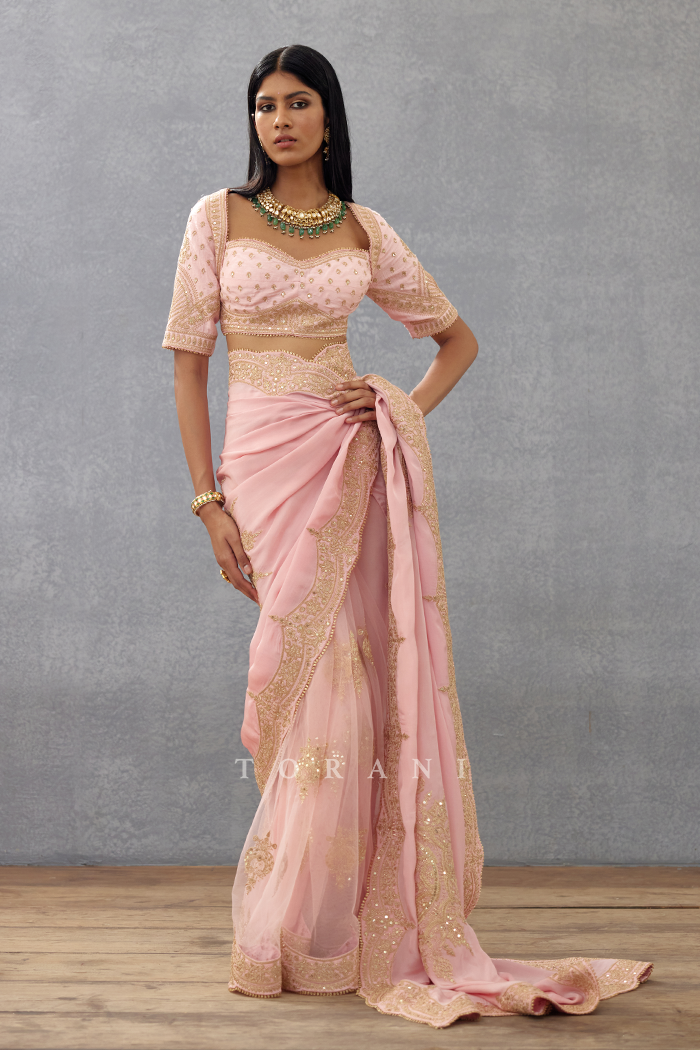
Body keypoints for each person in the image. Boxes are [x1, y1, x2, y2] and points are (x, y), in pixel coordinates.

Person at [163, 44, 651, 1028]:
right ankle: (298, 918)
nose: (279, 120)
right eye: (264, 105)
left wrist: (397, 408)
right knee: (300, 668)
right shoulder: (216, 218)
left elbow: (455, 341)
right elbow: (187, 362)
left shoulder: (363, 228)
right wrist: (207, 501)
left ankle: (327, 926)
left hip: (350, 462)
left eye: (298, 102)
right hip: (262, 465)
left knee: (352, 673)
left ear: (328, 118)